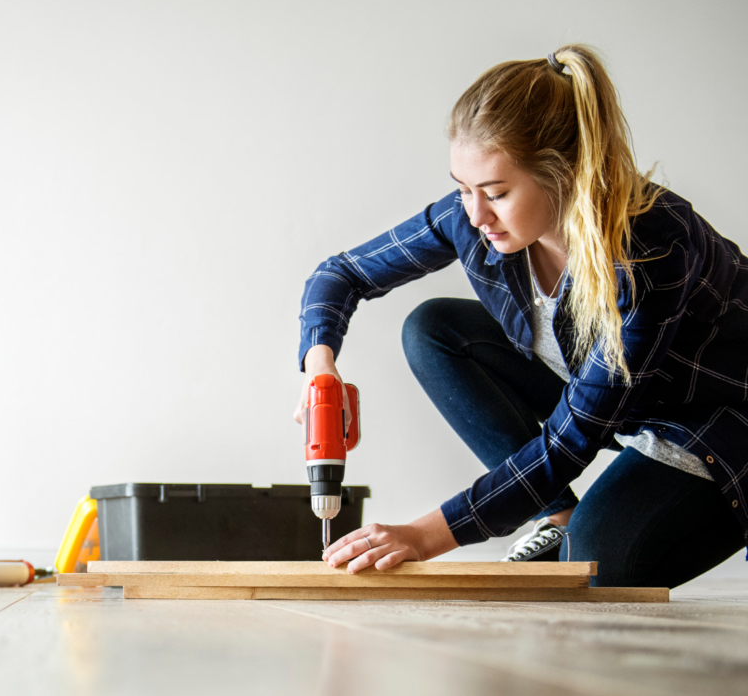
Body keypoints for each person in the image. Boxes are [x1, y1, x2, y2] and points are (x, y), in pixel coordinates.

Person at [293, 45, 747, 588]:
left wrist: (423, 536)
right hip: (621, 401)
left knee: (597, 564)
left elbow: (570, 440)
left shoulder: (651, 248)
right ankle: (555, 517)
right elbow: (339, 274)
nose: (475, 214)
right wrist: (321, 366)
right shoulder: (475, 219)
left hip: (714, 419)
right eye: (463, 189)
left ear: (564, 174)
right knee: (434, 330)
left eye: (497, 193)